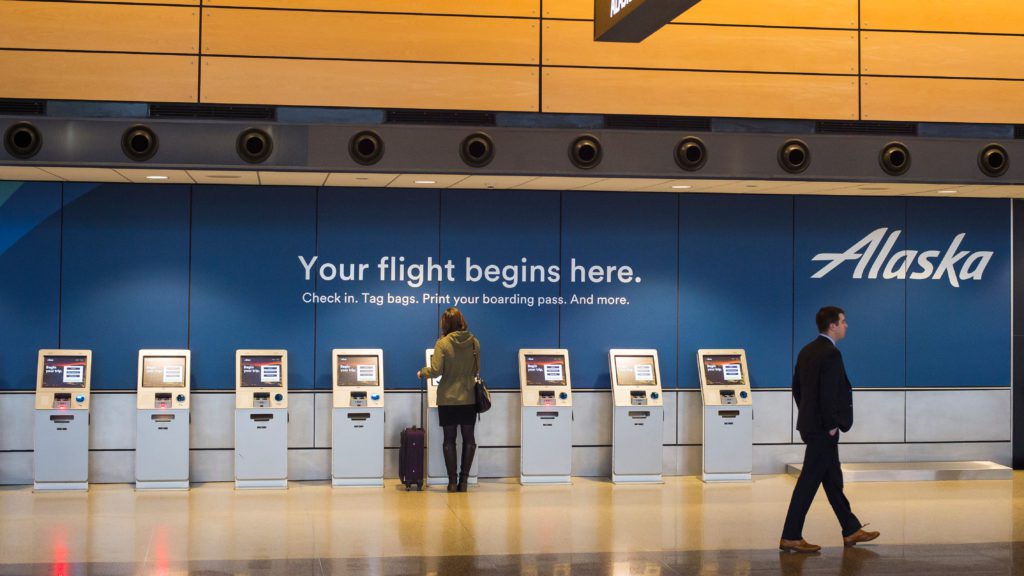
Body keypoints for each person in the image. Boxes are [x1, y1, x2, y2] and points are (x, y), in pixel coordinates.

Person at [780, 306, 880, 553]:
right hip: (824, 430)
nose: (846, 325)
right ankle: (791, 535)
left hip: (812, 426)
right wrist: (831, 425)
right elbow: (829, 393)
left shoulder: (806, 351)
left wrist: (808, 415)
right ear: (833, 325)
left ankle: (850, 528)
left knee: (833, 480)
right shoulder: (830, 354)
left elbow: (797, 389)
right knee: (808, 482)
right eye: (844, 322)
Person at [417, 307, 480, 492]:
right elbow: (477, 369)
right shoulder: (474, 342)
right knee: (469, 439)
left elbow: (436, 370)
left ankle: (452, 483)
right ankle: (464, 481)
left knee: (449, 440)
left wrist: (423, 372)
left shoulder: (442, 344)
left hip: (448, 398)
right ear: (462, 321)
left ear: (445, 324)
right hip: (469, 397)